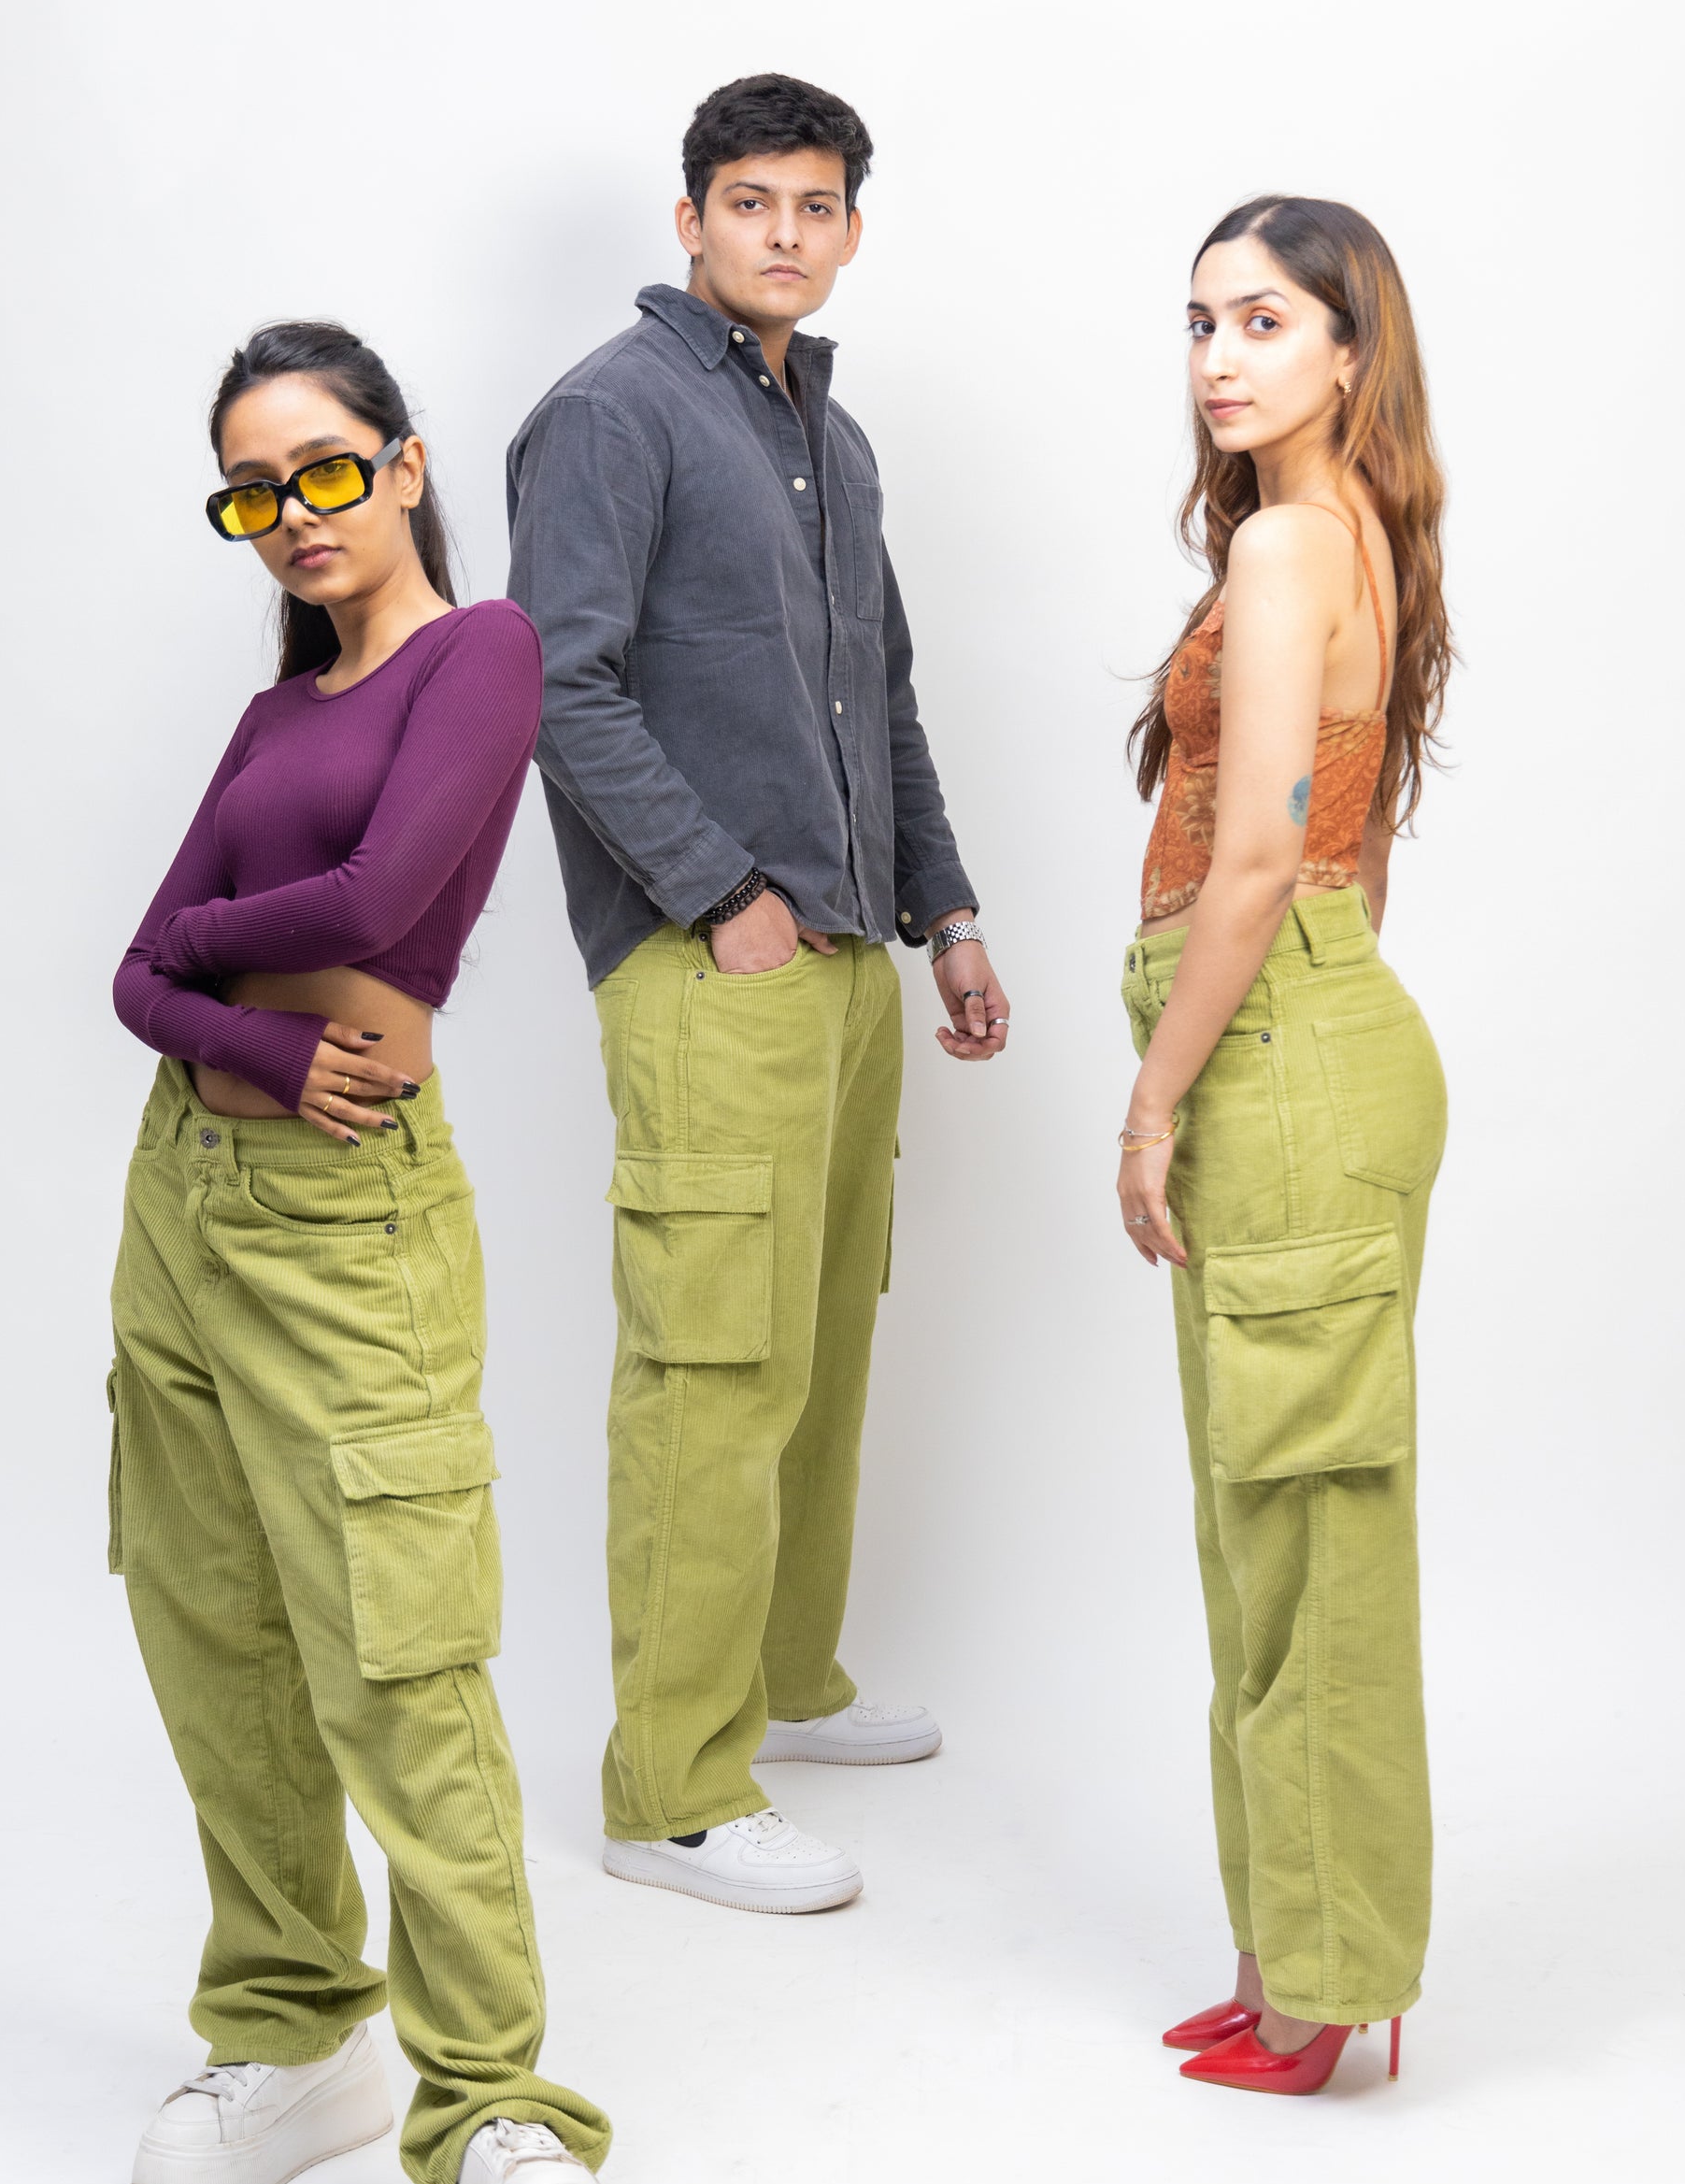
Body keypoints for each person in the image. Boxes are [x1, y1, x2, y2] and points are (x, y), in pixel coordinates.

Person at [108, 322, 624, 2184]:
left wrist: (195, 950)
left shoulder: (479, 654)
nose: (294, 515)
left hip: (345, 1222)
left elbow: (383, 897)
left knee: (404, 1659)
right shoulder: (276, 717)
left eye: (325, 469)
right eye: (254, 492)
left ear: (404, 464)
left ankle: (497, 2105)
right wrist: (231, 1015)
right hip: (182, 1200)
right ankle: (290, 2025)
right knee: (215, 1628)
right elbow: (133, 987)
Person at [507, 73, 1008, 1914]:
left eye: (813, 205)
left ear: (849, 230)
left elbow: (882, 696)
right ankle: (670, 1788)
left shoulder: (833, 440)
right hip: (709, 963)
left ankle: (786, 1681)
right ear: (690, 219)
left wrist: (945, 910)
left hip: (852, 961)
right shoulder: (609, 412)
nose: (782, 232)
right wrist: (719, 894)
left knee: (818, 1339)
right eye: (748, 201)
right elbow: (555, 685)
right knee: (711, 1365)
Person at [1119, 197, 1452, 2094]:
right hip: (1303, 1044)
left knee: (1307, 1539)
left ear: (1349, 349)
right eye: (1198, 322)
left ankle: (1326, 1985)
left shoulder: (1285, 541)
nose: (1218, 357)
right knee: (1261, 1521)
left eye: (1261, 320)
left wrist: (1154, 1098)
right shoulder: (1348, 534)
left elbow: (1257, 857)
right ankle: (1282, 1954)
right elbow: (1353, 839)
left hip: (1273, 1055)